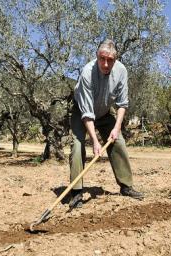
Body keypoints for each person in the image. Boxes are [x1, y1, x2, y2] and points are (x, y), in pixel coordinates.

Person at [69, 39, 144, 208]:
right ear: (97, 56)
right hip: (82, 111)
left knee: (118, 142)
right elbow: (87, 113)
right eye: (102, 58)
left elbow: (122, 104)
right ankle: (76, 193)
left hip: (103, 111)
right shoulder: (88, 72)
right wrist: (95, 141)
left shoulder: (121, 71)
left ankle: (126, 186)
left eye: (110, 60)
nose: (105, 64)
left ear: (115, 59)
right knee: (77, 145)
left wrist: (116, 128)